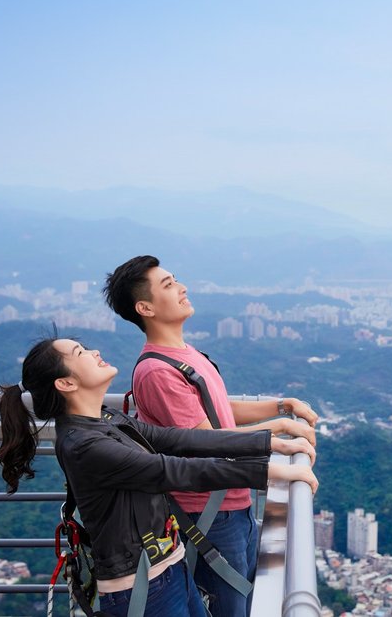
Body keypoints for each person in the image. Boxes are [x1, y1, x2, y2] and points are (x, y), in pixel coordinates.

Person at [0, 337, 317, 617]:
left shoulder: (106, 420)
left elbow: (180, 439)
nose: (94, 352)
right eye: (81, 353)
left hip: (168, 566)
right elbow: (171, 470)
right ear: (66, 383)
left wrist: (268, 443)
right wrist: (270, 469)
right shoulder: (84, 444)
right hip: (140, 587)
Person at [104, 255, 319, 617]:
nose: (182, 288)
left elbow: (218, 410)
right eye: (168, 285)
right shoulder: (157, 371)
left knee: (245, 599)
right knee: (231, 606)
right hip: (205, 512)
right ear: (145, 307)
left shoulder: (184, 355)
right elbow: (205, 439)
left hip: (230, 502)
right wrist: (279, 434)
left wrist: (280, 406)